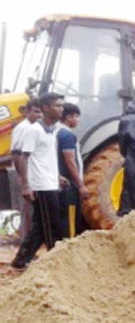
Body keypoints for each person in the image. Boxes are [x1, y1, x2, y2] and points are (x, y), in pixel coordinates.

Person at [11, 93, 65, 269]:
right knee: (52, 226)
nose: (61, 109)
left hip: (50, 182)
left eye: (62, 105)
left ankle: (21, 261)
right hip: (41, 186)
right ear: (46, 108)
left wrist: (57, 177)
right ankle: (56, 261)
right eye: (57, 106)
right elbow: (23, 158)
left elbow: (45, 158)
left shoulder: (53, 130)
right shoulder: (34, 131)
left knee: (40, 226)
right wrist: (26, 185)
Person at [10, 98, 43, 240]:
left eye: (41, 112)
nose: (39, 115)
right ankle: (25, 242)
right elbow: (17, 154)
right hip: (26, 176)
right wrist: (24, 180)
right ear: (27, 112)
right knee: (27, 210)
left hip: (31, 175)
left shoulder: (35, 128)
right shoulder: (24, 128)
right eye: (35, 112)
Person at [56, 103, 89, 238]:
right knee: (69, 222)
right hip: (68, 185)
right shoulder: (67, 135)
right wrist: (80, 185)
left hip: (60, 183)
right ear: (69, 117)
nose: (77, 120)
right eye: (76, 116)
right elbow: (70, 160)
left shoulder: (55, 132)